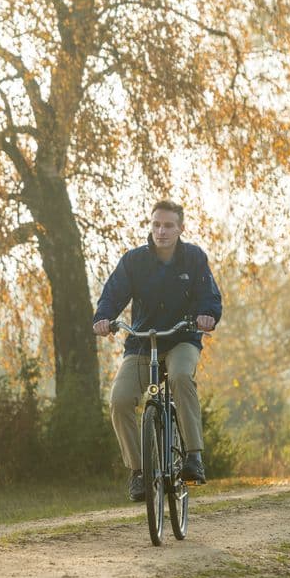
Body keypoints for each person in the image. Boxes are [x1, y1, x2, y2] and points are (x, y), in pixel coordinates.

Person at [92, 199, 222, 499]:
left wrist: (207, 316)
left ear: (180, 228)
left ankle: (193, 457)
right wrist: (102, 318)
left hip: (182, 339)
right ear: (150, 226)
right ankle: (138, 472)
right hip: (142, 341)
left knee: (180, 378)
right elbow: (112, 295)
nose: (161, 231)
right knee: (120, 400)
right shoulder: (134, 261)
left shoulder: (194, 258)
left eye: (168, 225)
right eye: (156, 225)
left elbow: (209, 296)